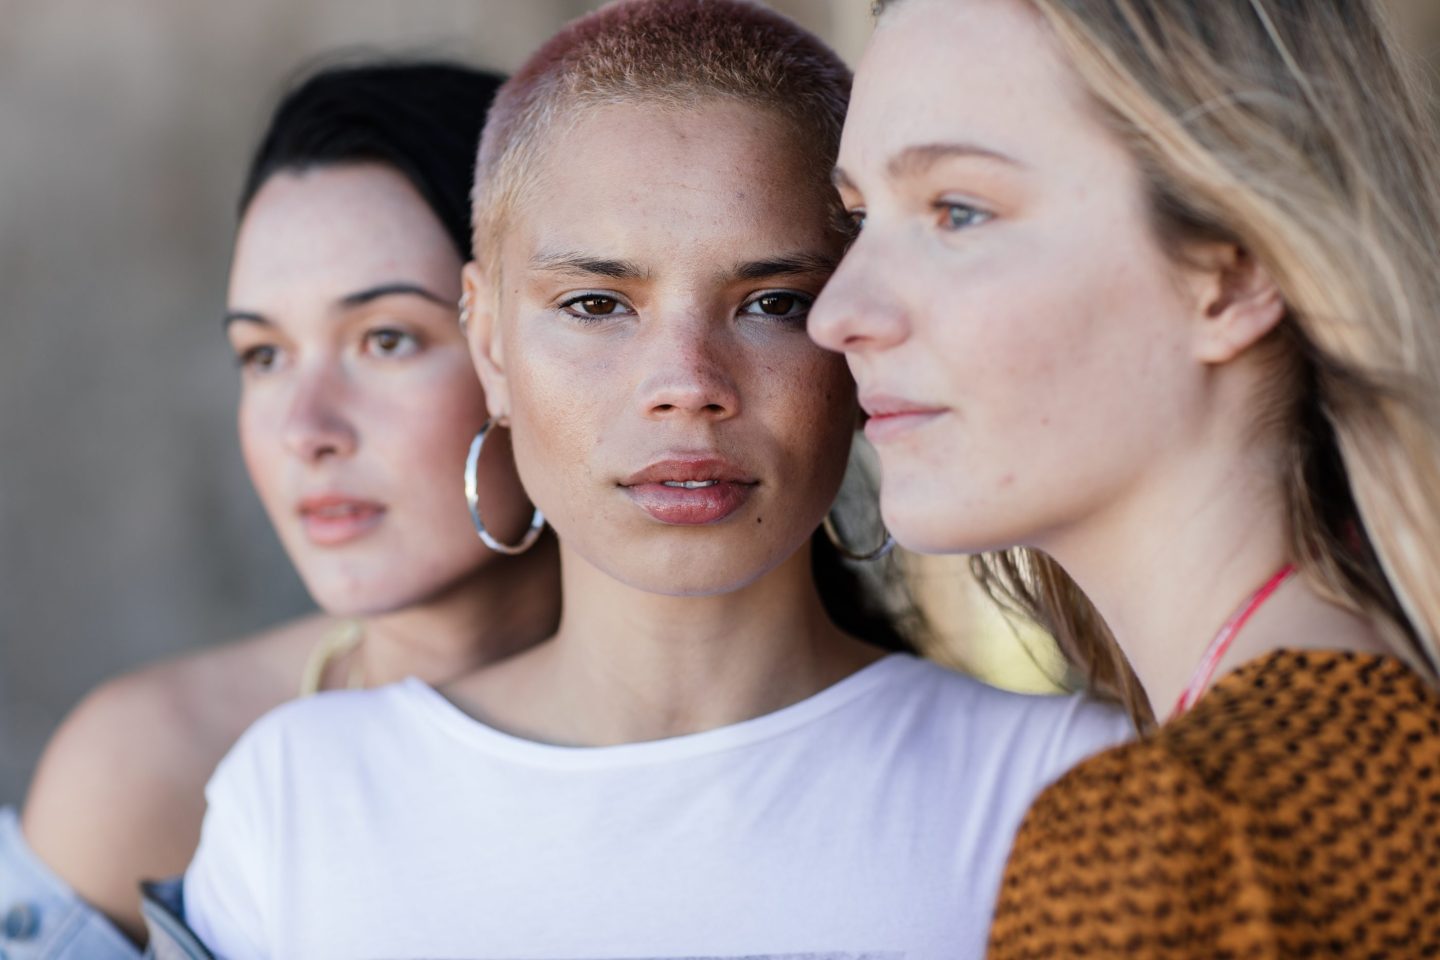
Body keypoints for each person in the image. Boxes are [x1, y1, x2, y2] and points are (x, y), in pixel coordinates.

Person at [178, 3, 1131, 958]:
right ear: (489, 342)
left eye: (772, 302)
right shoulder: (297, 801)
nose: (687, 387)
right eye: (596, 304)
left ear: (857, 323)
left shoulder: (1062, 793)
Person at [808, 0, 1440, 955]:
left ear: (1230, 275)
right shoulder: (1376, 734)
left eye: (957, 210)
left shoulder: (1178, 834)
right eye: (859, 218)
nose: (839, 312)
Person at [5, 61, 560, 955]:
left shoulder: (753, 734)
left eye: (386, 339)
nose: (306, 429)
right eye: (263, 355)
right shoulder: (151, 769)